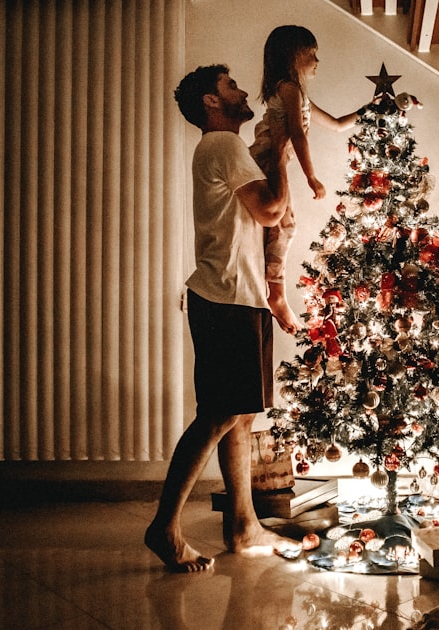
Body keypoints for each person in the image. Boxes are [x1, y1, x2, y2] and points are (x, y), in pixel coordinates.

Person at [145, 64, 298, 572]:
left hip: (240, 295)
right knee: (218, 412)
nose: (240, 92)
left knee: (239, 412)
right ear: (211, 102)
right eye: (230, 86)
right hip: (226, 296)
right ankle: (165, 527)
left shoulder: (223, 151)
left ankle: (243, 524)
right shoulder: (223, 146)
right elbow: (272, 209)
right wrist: (280, 148)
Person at [250, 25, 359, 334]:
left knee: (279, 228)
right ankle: (277, 295)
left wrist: (371, 109)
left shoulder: (297, 94)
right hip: (264, 163)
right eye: (312, 55)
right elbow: (296, 134)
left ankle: (273, 291)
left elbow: (337, 125)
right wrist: (312, 177)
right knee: (284, 225)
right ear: (293, 57)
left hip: (271, 164)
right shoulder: (288, 89)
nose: (317, 62)